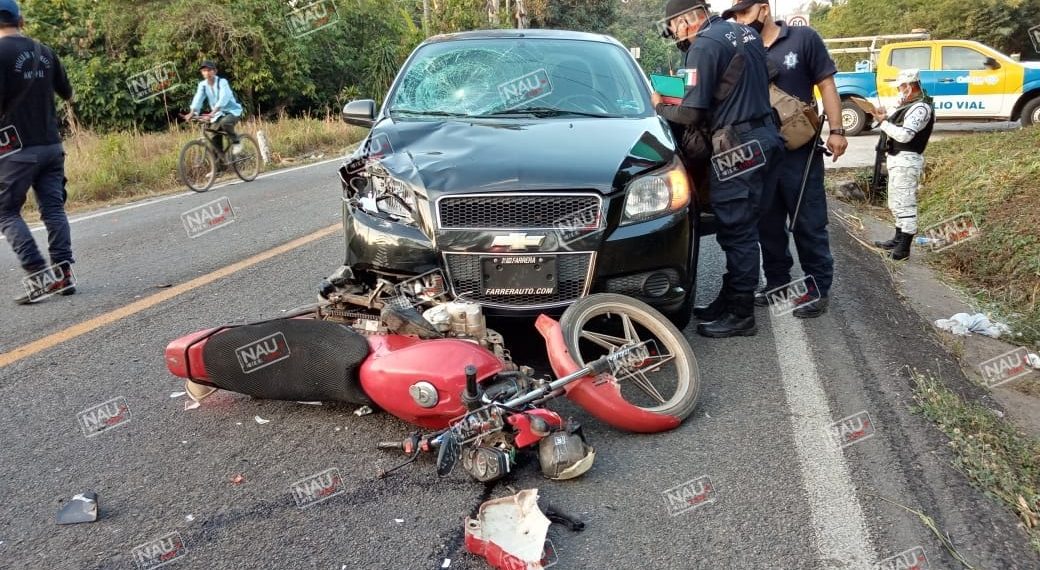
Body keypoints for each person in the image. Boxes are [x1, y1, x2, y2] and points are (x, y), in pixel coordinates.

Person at [653, 0, 784, 338]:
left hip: (738, 147)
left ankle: (741, 314)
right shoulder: (744, 32)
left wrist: (658, 105)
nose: (675, 35)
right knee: (744, 226)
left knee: (737, 229)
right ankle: (729, 300)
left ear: (686, 19)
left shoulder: (704, 44)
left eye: (673, 27)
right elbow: (737, 80)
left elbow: (691, 112)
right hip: (765, 136)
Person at [724, 0, 846, 318]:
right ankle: (777, 284)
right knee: (767, 223)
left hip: (799, 151)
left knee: (808, 222)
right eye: (735, 16)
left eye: (745, 13)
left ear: (764, 9)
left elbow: (826, 84)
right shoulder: (739, 49)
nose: (740, 21)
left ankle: (817, 288)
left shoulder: (803, 39)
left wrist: (837, 130)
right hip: (760, 154)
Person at [0, 0, 76, 304]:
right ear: (21, 20)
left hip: (16, 149)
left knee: (6, 211)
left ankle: (38, 274)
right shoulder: (45, 51)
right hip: (51, 145)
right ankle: (63, 273)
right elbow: (68, 93)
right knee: (53, 209)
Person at [869, 68, 934, 260]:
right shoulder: (908, 105)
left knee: (905, 204)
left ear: (909, 86)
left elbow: (905, 135)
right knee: (896, 202)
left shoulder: (921, 108)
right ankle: (897, 240)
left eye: (900, 87)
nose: (899, 91)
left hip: (907, 160)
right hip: (897, 159)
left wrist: (884, 123)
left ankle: (904, 248)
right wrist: (883, 116)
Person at [184, 60, 244, 156]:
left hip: (232, 111)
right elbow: (198, 98)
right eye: (204, 71)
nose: (207, 73)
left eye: (209, 70)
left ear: (215, 71)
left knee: (225, 123)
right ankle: (220, 164)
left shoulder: (222, 82)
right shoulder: (202, 85)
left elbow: (224, 98)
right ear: (202, 73)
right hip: (217, 115)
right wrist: (192, 112)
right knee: (214, 139)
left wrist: (212, 113)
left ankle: (236, 141)